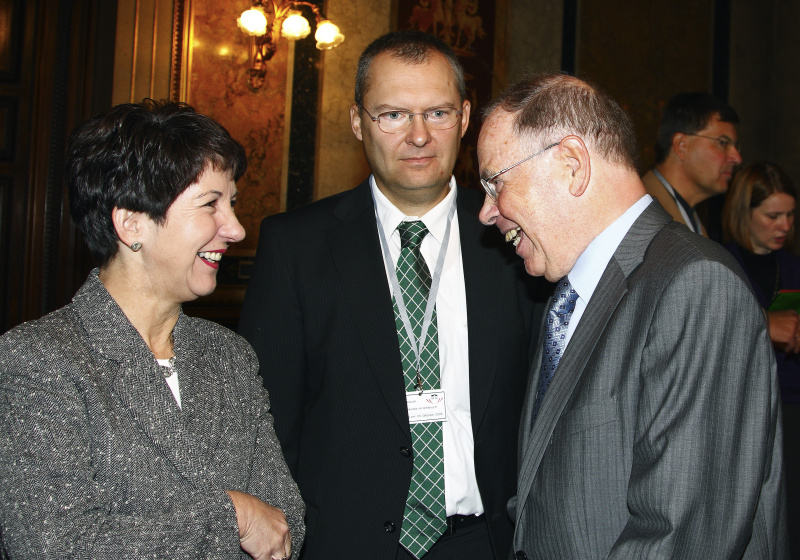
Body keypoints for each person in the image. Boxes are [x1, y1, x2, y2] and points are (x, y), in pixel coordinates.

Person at [239, 31, 536, 560]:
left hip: (486, 542)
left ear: (465, 119)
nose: (419, 136)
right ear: (358, 121)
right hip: (344, 544)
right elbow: (268, 422)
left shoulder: (517, 240)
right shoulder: (297, 246)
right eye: (393, 115)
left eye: (438, 113)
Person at [477, 74, 786, 559]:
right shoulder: (568, 296)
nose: (486, 212)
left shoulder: (695, 285)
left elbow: (681, 538)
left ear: (572, 165)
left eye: (495, 183)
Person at [0, 100, 304, 560]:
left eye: (233, 204)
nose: (237, 229)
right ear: (131, 223)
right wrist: (231, 516)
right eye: (211, 205)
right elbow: (49, 543)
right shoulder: (40, 359)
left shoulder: (229, 355)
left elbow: (285, 522)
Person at [722, 161, 800, 559]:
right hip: (744, 411)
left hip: (791, 403)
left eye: (790, 215)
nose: (784, 225)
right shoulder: (720, 263)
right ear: (743, 213)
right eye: (773, 216)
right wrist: (766, 324)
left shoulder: (792, 267)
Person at [642, 92, 743, 235]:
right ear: (681, 146)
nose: (737, 158)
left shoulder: (691, 221)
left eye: (736, 147)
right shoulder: (641, 214)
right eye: (723, 142)